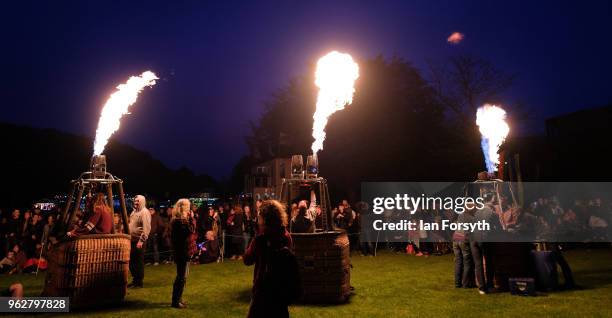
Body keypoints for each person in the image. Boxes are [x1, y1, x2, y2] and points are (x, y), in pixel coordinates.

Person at [244, 200, 296, 318]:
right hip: (281, 289)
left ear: (264, 218)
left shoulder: (261, 239)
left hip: (263, 290)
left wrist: (256, 237)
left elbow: (247, 259)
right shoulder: (286, 236)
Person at [170, 199, 196, 309]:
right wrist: (191, 218)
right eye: (188, 207)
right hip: (181, 252)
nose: (189, 209)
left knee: (182, 277)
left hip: (183, 251)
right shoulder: (178, 222)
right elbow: (189, 231)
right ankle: (175, 301)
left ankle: (178, 298)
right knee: (180, 277)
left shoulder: (180, 221)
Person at [128, 195, 151, 288]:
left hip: (138, 241)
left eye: (138, 201)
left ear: (142, 202)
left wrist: (141, 241)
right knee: (132, 261)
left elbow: (147, 228)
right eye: (135, 201)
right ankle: (135, 280)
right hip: (132, 240)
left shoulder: (144, 212)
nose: (135, 202)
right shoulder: (134, 211)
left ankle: (139, 282)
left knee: (138, 261)